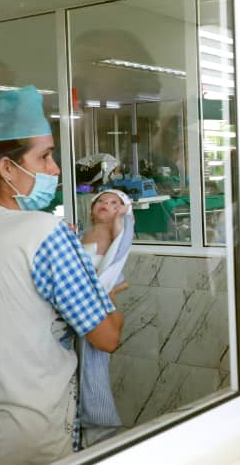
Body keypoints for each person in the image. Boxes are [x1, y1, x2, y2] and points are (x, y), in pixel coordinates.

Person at [0, 86, 124, 464]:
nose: (55, 169)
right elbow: (107, 336)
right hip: (31, 440)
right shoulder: (42, 231)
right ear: (6, 168)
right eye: (45, 156)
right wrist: (108, 296)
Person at [80, 189, 133, 446]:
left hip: (97, 305)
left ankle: (101, 425)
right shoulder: (86, 233)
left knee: (93, 365)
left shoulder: (113, 231)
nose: (106, 204)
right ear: (91, 209)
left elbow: (119, 257)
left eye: (114, 203)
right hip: (81, 301)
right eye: (101, 200)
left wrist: (121, 217)